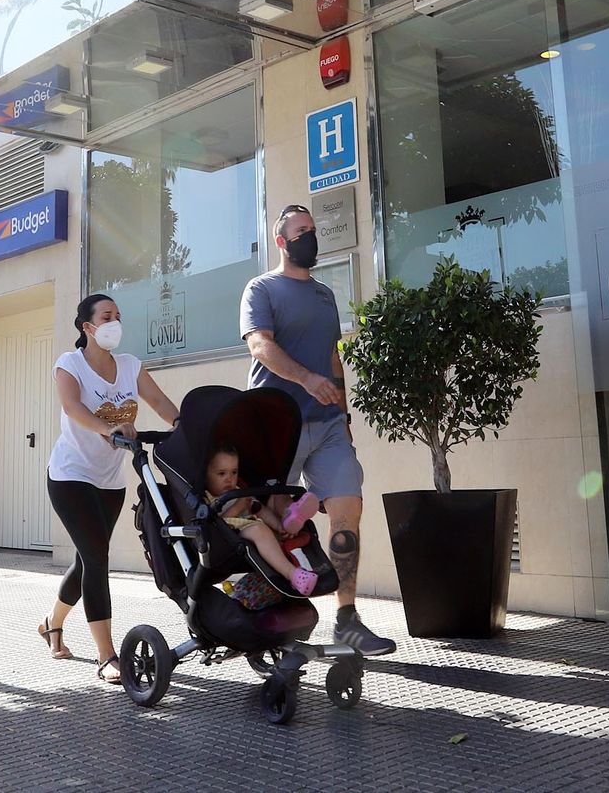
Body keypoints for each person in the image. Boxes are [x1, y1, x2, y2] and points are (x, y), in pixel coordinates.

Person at [240, 204, 396, 656]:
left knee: (348, 512)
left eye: (312, 229)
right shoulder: (261, 288)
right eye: (300, 231)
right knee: (275, 524)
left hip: (328, 426)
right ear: (281, 241)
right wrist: (306, 379)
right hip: (277, 425)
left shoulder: (325, 294)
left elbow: (332, 357)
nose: (310, 236)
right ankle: (274, 618)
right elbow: (259, 345)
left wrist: (344, 416)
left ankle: (347, 621)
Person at [39, 293, 180, 683]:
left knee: (88, 559)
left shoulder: (131, 366)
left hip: (109, 481)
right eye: (106, 316)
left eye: (118, 315)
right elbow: (73, 408)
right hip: (70, 476)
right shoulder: (70, 364)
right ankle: (106, 656)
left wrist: (186, 427)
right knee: (97, 558)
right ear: (88, 327)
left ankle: (51, 623)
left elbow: (160, 402)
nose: (115, 321)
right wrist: (110, 429)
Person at [203, 445, 321, 596]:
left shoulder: (239, 491)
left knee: (277, 495)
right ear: (206, 476)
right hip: (235, 534)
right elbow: (218, 525)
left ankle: (289, 520)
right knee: (259, 529)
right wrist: (239, 506)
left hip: (263, 529)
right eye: (221, 473)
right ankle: (293, 574)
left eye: (234, 472)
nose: (229, 478)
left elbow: (260, 509)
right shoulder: (207, 499)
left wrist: (278, 526)